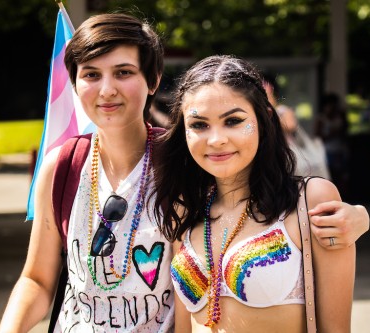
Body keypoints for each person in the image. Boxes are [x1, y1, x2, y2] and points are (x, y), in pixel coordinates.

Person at [0, 13, 369, 333]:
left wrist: (356, 217)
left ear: (154, 80)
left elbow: (258, 191)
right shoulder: (63, 166)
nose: (106, 89)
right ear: (75, 82)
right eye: (91, 74)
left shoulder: (189, 165)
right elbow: (37, 278)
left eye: (124, 72)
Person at [152, 55, 356, 332]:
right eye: (199, 125)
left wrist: (360, 214)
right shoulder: (185, 208)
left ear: (264, 119)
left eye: (233, 121)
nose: (216, 139)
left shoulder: (310, 200)